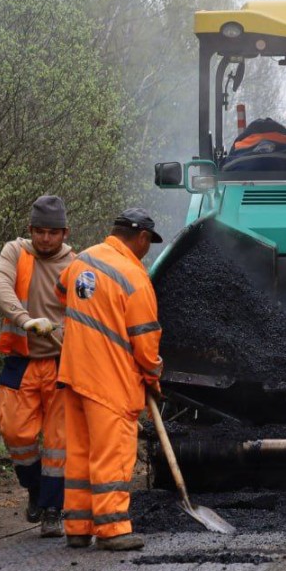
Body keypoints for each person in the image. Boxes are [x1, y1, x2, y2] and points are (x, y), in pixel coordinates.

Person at [55, 208, 164, 551]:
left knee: (80, 454)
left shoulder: (81, 261)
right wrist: (153, 375)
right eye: (149, 244)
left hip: (73, 373)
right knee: (112, 454)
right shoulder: (134, 276)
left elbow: (63, 293)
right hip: (110, 381)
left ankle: (77, 526)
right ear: (142, 239)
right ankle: (113, 528)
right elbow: (146, 342)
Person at [0, 195, 75, 538]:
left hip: (59, 364)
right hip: (20, 361)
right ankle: (36, 490)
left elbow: (86, 311)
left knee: (58, 442)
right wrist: (25, 320)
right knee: (15, 434)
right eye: (39, 231)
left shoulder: (76, 265)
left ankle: (53, 510)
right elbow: (0, 288)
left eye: (52, 233)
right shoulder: (15, 252)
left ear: (64, 233)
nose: (45, 238)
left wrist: (63, 331)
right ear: (30, 230)